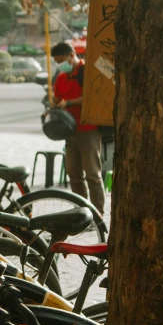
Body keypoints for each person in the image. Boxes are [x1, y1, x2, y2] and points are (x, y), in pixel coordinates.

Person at [51, 41, 105, 215]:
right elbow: (57, 98)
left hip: (88, 129)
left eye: (61, 61)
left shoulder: (87, 72)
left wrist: (69, 102)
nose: (60, 65)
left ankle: (98, 214)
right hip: (69, 130)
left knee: (93, 175)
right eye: (57, 62)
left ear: (71, 55)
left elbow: (91, 97)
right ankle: (81, 212)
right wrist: (54, 104)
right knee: (74, 175)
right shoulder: (60, 78)